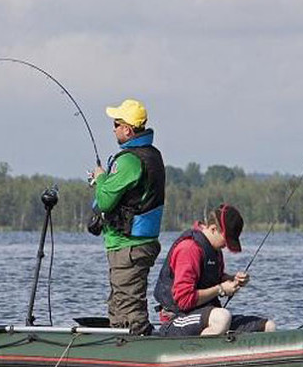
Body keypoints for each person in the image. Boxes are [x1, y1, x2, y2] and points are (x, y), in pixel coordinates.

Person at [88, 98, 165, 335]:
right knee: (121, 304)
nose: (113, 129)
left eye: (116, 124)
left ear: (128, 130)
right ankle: (124, 346)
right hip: (136, 243)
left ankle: (136, 351)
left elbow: (105, 200)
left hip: (128, 246)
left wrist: (100, 178)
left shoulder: (131, 160)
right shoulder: (152, 154)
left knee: (128, 309)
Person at [153, 203, 276, 336]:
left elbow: (210, 278)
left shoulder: (214, 249)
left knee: (268, 327)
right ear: (213, 229)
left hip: (204, 315)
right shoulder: (189, 249)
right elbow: (184, 300)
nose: (226, 246)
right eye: (226, 240)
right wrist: (221, 289)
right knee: (222, 318)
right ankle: (198, 354)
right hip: (177, 319)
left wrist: (232, 279)